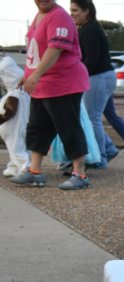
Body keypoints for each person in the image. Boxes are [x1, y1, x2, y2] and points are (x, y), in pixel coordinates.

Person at [12, 0, 90, 190]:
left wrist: (36, 74)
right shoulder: (39, 16)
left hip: (63, 82)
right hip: (43, 85)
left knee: (68, 127)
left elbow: (55, 49)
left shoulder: (60, 16)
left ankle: (80, 174)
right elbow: (35, 52)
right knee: (38, 128)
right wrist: (28, 75)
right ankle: (34, 171)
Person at [69, 0, 120, 168]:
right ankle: (108, 149)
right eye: (71, 10)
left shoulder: (90, 30)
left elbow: (91, 60)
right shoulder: (88, 28)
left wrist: (78, 78)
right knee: (91, 118)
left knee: (93, 119)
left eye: (76, 10)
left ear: (87, 11)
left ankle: (100, 158)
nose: (72, 14)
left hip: (99, 77)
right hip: (101, 77)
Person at [0, 56, 31, 178]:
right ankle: (13, 167)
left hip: (12, 127)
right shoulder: (24, 92)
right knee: (18, 147)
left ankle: (25, 167)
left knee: (15, 148)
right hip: (21, 126)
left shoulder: (13, 94)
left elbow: (10, 112)